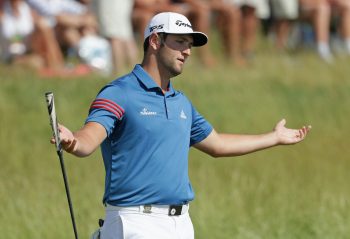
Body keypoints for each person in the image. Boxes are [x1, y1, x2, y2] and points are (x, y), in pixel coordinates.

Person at [51, 12, 311, 239]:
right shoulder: (120, 92)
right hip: (136, 223)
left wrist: (274, 137)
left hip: (181, 224)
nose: (187, 51)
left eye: (189, 44)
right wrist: (72, 140)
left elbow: (218, 144)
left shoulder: (181, 102)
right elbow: (88, 139)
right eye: (179, 42)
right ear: (155, 41)